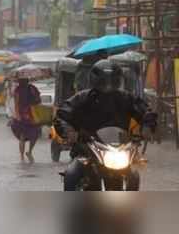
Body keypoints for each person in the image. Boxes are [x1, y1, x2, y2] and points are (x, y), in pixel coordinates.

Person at [55, 59, 157, 191]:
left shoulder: (126, 98)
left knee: (133, 175)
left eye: (111, 80)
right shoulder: (82, 98)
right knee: (71, 175)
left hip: (118, 149)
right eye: (104, 80)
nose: (108, 85)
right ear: (95, 79)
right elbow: (62, 114)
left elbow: (146, 111)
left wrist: (147, 127)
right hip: (86, 149)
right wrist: (69, 131)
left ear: (118, 80)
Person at [10, 78, 41, 163]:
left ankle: (28, 153)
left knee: (33, 135)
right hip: (24, 114)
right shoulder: (18, 90)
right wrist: (17, 115)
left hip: (31, 114)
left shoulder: (32, 88)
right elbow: (16, 104)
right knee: (23, 136)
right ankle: (23, 156)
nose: (22, 82)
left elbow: (38, 101)